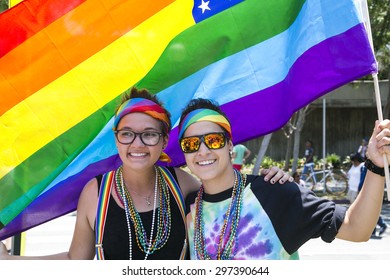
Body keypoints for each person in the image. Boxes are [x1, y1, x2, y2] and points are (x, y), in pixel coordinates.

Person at [0, 88, 291, 260]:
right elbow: (77, 260)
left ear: (164, 141)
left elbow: (230, 195)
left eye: (149, 135)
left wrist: (273, 181)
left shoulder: (184, 185)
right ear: (116, 139)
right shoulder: (96, 193)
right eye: (127, 134)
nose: (137, 144)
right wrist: (10, 261)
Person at [178, 98, 389, 260]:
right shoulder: (188, 210)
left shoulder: (273, 192)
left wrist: (376, 165)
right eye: (190, 144)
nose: (202, 151)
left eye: (213, 140)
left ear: (230, 145)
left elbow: (357, 228)